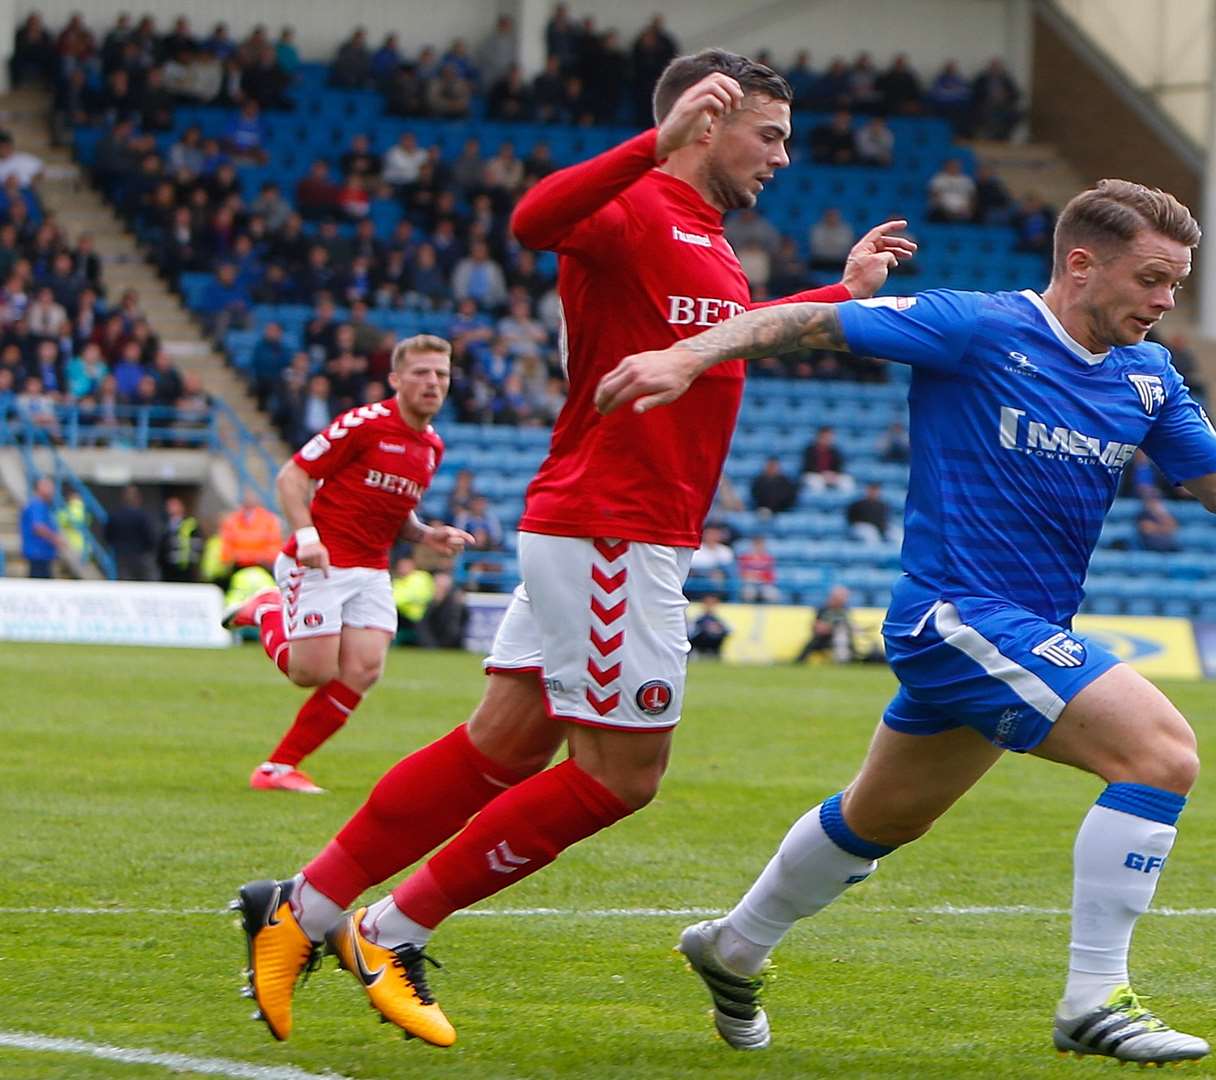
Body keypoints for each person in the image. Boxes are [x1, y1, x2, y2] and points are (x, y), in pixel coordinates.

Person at [593, 178, 1216, 1064]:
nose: (1165, 303)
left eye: (1176, 285)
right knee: (1161, 754)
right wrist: (690, 354)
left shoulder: (1147, 375)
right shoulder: (975, 327)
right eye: (1152, 279)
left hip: (1014, 627)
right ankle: (1093, 1000)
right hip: (954, 614)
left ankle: (734, 946)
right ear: (1082, 265)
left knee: (879, 818)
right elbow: (800, 323)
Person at [228, 49, 911, 1049]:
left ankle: (306, 908)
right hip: (612, 528)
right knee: (621, 776)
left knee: (500, 747)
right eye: (768, 135)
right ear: (705, 121)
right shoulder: (636, 204)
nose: (782, 157)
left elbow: (724, 336)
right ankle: (390, 927)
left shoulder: (711, 241)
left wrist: (839, 294)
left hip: (610, 526)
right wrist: (653, 142)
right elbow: (530, 218)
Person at [222, 335, 471, 796]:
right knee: (311, 673)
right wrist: (307, 536)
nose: (432, 382)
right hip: (321, 562)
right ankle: (265, 610)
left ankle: (278, 768)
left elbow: (393, 507)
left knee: (363, 670)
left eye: (441, 374)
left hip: (372, 568)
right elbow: (292, 476)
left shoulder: (432, 446)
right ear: (395, 379)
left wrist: (425, 535)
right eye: (421, 373)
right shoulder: (364, 424)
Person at [104, 484, 160, 581]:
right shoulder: (142, 516)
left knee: (125, 584)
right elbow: (150, 537)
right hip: (140, 556)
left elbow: (108, 535)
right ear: (137, 498)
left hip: (121, 556)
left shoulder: (115, 515)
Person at [792, 583, 858, 664]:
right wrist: (831, 628)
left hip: (840, 637)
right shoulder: (823, 609)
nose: (844, 599)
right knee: (813, 642)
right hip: (824, 639)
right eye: (842, 597)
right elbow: (816, 627)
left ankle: (848, 660)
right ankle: (800, 661)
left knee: (844, 637)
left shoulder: (845, 610)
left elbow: (850, 625)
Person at [19, 475, 62, 578]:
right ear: (40, 487)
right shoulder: (37, 505)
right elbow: (38, 527)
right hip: (38, 554)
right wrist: (56, 539)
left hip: (43, 554)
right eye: (49, 486)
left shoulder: (43, 506)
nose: (52, 490)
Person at [161, 495, 202, 582]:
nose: (171, 508)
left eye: (174, 505)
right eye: (169, 505)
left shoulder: (190, 524)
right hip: (169, 569)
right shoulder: (165, 525)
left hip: (187, 569)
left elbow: (197, 544)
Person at [735, 534, 779, 602]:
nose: (759, 547)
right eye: (756, 544)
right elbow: (741, 573)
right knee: (748, 592)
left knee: (772, 594)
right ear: (752, 545)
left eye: (761, 544)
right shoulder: (744, 557)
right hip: (748, 583)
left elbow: (771, 576)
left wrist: (757, 576)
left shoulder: (768, 558)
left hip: (764, 584)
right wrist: (752, 576)